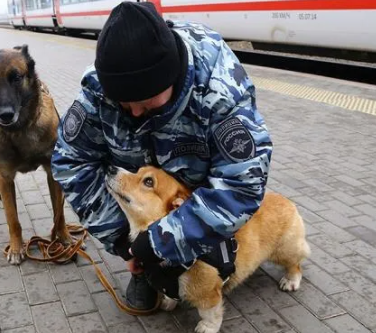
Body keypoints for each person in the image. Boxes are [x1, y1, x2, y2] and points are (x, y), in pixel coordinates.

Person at [51, 1, 273, 310]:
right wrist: (126, 243)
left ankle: (204, 247)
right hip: (142, 201)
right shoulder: (99, 88)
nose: (136, 112)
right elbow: (70, 162)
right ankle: (147, 267)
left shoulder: (220, 88)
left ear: (171, 75)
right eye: (124, 104)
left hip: (193, 193)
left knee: (216, 236)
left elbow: (241, 184)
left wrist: (161, 242)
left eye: (145, 101)